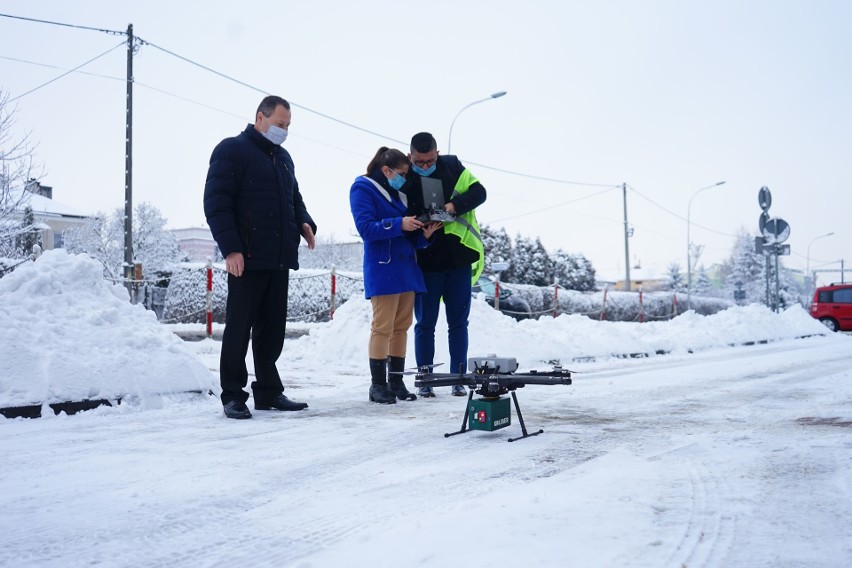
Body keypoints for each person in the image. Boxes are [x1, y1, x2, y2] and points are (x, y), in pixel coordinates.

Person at [203, 95, 316, 419]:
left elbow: (294, 198)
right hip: (247, 256)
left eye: (288, 126)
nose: (284, 131)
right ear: (260, 118)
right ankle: (233, 395)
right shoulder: (231, 150)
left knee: (272, 331)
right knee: (239, 328)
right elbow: (216, 202)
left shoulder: (283, 159)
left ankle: (268, 392)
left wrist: (305, 223)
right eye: (280, 125)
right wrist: (232, 249)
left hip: (278, 255)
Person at [350, 147, 440, 404]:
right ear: (386, 170)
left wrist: (423, 235)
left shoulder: (397, 192)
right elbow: (366, 228)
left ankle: (396, 381)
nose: (404, 178)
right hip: (383, 267)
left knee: (401, 328)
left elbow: (407, 238)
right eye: (400, 173)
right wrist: (398, 224)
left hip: (406, 268)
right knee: (382, 328)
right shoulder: (362, 188)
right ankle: (377, 385)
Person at [403, 132, 486, 397]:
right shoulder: (404, 178)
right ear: (410, 157)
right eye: (420, 161)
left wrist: (453, 205)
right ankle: (425, 379)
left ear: (437, 154)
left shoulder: (453, 167)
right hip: (426, 262)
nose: (425, 166)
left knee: (458, 323)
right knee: (425, 323)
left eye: (429, 161)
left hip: (457, 259)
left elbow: (479, 192)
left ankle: (458, 377)